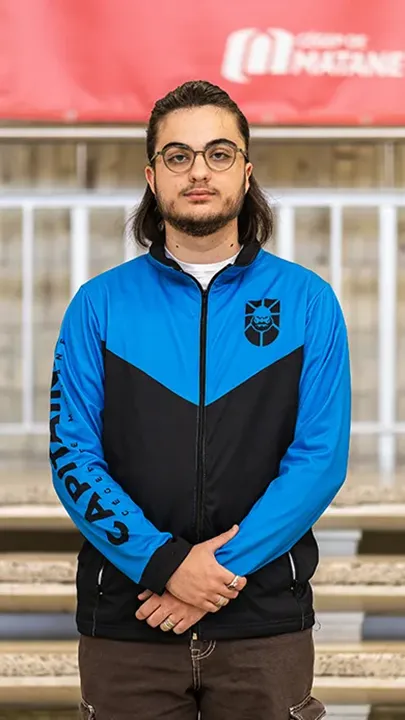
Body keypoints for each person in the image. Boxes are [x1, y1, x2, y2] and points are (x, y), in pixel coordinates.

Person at [49, 80, 350, 719]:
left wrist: (206, 577)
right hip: (129, 622)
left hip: (263, 623)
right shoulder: (97, 307)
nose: (198, 172)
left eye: (218, 153)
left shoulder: (307, 302)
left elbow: (320, 459)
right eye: (178, 156)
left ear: (245, 170)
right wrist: (161, 563)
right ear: (152, 176)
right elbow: (72, 456)